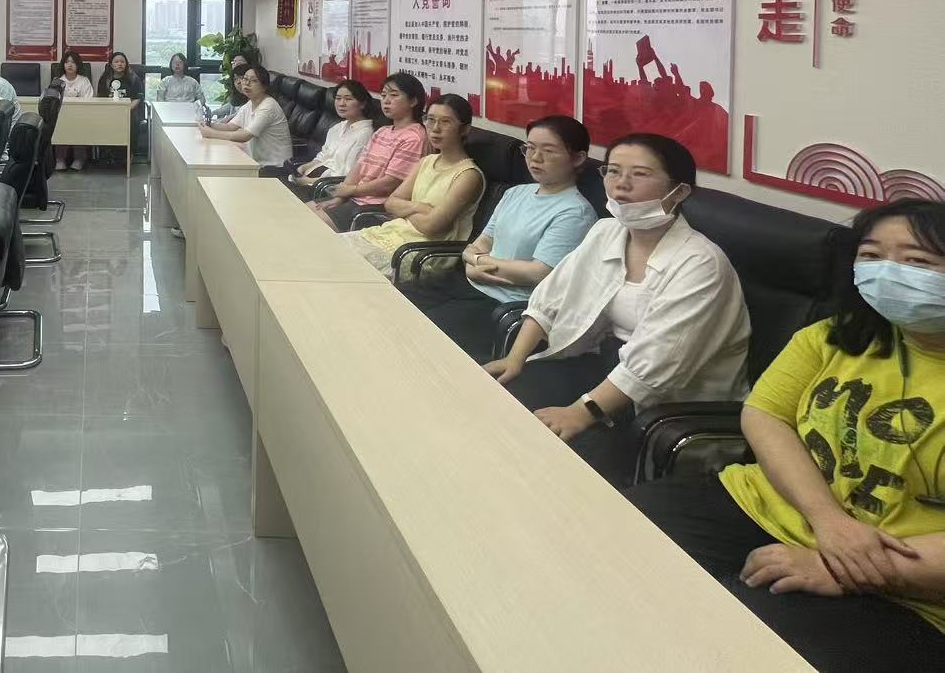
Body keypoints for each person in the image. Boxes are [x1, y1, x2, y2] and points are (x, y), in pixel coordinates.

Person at [627, 199, 945, 670]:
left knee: (724, 646)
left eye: (917, 260)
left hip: (909, 585)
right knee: (608, 540)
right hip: (768, 504)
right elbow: (765, 415)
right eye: (872, 255)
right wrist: (829, 521)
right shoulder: (836, 335)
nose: (888, 272)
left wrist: (848, 567)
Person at [483, 133, 751, 481]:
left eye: (640, 174)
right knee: (501, 400)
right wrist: (515, 359)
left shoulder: (700, 263)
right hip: (606, 366)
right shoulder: (606, 232)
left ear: (680, 191)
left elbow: (657, 360)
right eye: (612, 171)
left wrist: (580, 413)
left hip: (666, 408)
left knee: (557, 462)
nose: (621, 184)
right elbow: (551, 297)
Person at [402, 115, 598, 357]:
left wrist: (478, 262)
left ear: (577, 158)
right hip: (468, 283)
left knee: (420, 336)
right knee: (397, 302)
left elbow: (538, 272)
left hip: (506, 304)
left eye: (548, 151)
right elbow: (478, 244)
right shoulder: (515, 193)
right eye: (530, 148)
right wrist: (472, 266)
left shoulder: (575, 212)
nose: (535, 158)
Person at [351, 93, 485, 272]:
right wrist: (419, 207)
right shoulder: (426, 162)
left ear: (465, 129)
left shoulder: (468, 175)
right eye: (430, 120)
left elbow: (431, 227)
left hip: (419, 254)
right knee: (330, 249)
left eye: (446, 122)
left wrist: (404, 211)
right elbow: (390, 203)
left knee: (345, 267)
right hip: (389, 234)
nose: (435, 128)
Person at [311, 71, 429, 231]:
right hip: (354, 199)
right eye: (384, 95)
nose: (386, 101)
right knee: (300, 212)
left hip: (374, 209)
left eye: (394, 95)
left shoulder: (414, 137)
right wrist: (340, 197)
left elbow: (390, 183)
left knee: (309, 225)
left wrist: (351, 190)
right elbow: (359, 166)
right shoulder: (382, 131)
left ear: (413, 101)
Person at [286, 78, 373, 198]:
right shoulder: (337, 127)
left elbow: (347, 174)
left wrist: (309, 181)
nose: (341, 103)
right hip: (312, 176)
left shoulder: (365, 134)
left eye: (348, 99)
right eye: (338, 98)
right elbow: (323, 156)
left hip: (329, 187)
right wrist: (304, 167)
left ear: (362, 104)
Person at [200, 64, 293, 171]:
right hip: (256, 162)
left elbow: (245, 136)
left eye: (253, 80)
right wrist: (209, 124)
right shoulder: (250, 103)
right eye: (245, 79)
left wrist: (212, 133)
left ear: (264, 86)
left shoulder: (268, 107)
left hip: (276, 167)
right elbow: (231, 126)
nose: (246, 83)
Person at [53, 51, 95, 171]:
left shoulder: (84, 81)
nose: (70, 65)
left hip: (81, 115)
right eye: (67, 62)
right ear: (63, 65)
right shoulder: (58, 81)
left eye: (73, 62)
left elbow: (89, 99)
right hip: (62, 116)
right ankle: (60, 159)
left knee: (80, 127)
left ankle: (79, 158)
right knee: (59, 127)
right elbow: (53, 99)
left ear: (78, 65)